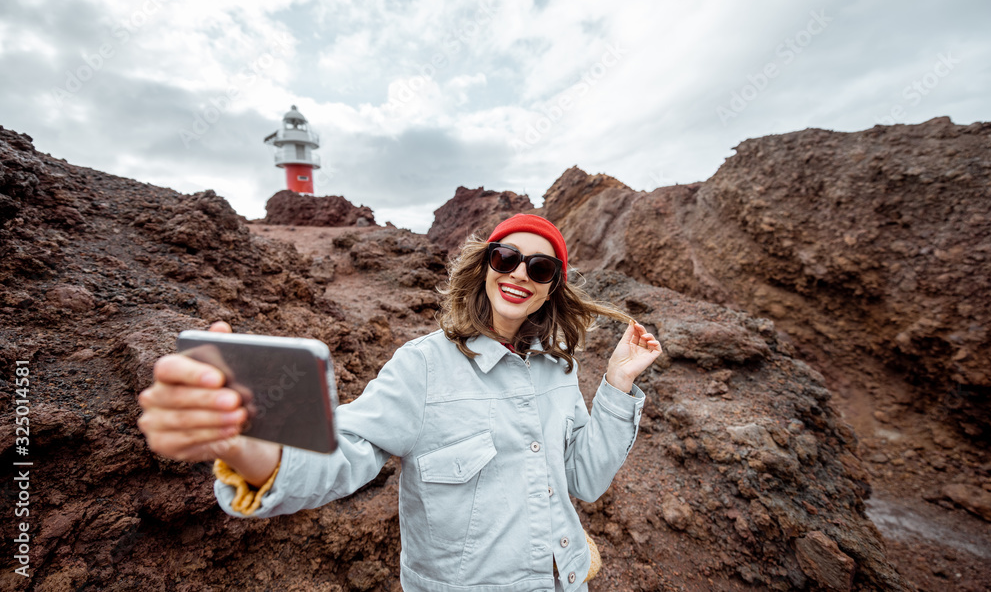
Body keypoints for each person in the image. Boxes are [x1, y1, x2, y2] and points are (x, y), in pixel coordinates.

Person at [138, 213, 661, 591]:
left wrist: (615, 383)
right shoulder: (422, 366)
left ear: (552, 289)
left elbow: (585, 481)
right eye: (507, 258)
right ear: (485, 268)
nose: (520, 273)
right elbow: (346, 451)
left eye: (541, 268)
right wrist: (248, 447)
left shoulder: (559, 371)